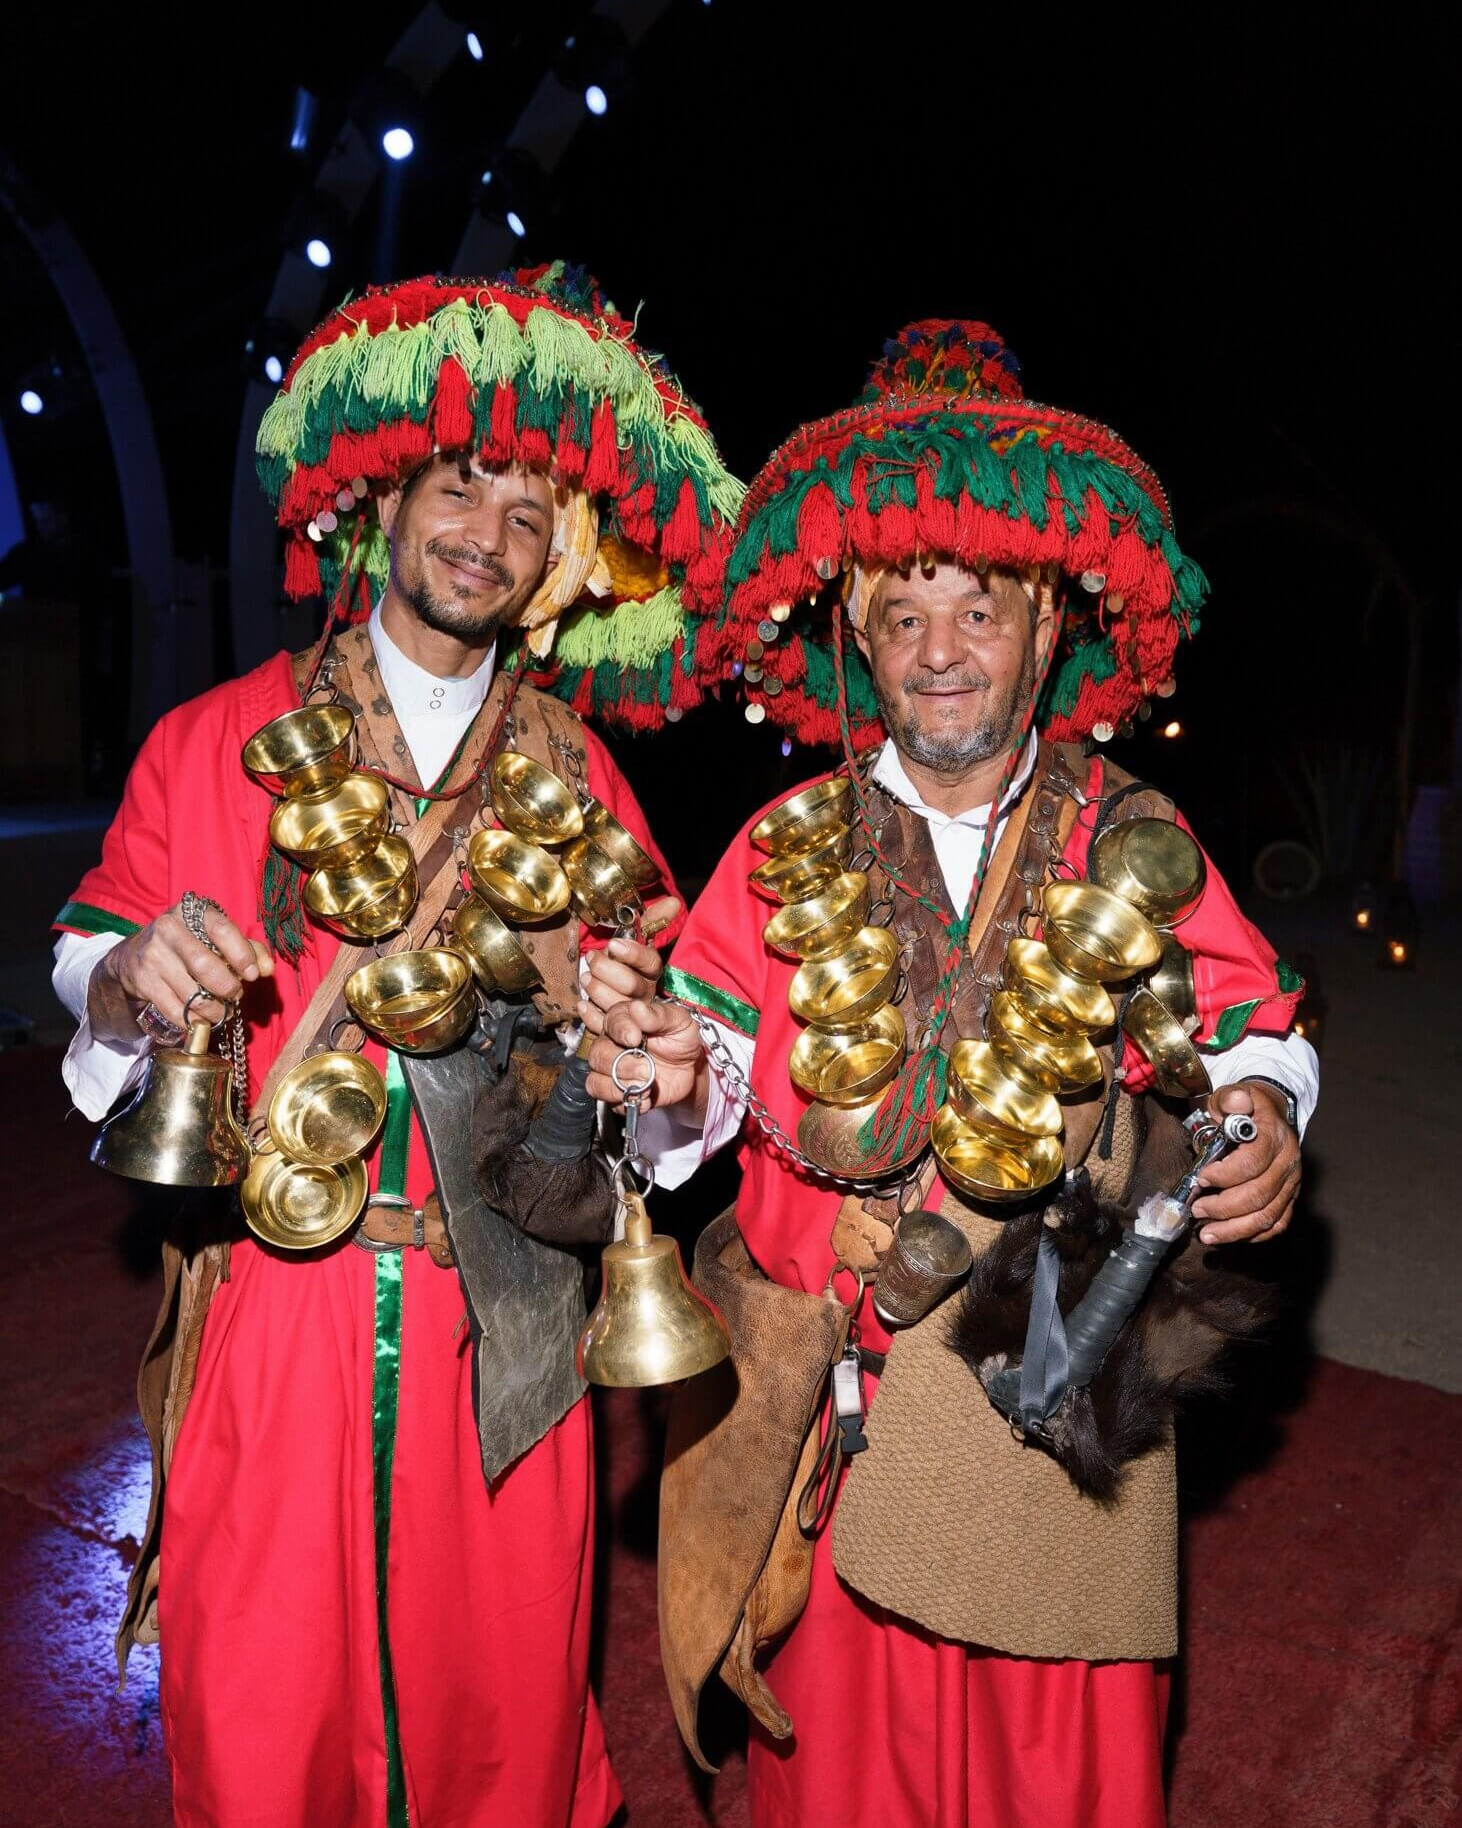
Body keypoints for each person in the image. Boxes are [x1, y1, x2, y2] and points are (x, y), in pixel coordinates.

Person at [585, 319, 1317, 1828]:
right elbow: (706, 1074)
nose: (936, 655)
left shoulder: (1133, 834)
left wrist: (1263, 1122)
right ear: (852, 626)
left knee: (1066, 1779)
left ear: (1049, 629)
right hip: (831, 1417)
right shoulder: (786, 840)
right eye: (900, 614)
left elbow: (1254, 1037)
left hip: (1045, 1407)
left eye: (976, 613)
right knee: (839, 1786)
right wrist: (662, 1077)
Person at [52, 261, 740, 1828]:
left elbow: (678, 1067)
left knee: (495, 1715)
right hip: (271, 1316)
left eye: (527, 516)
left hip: (504, 1322)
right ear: (384, 495)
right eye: (460, 483)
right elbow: (91, 967)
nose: (483, 537)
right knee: (259, 1701)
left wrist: (669, 1063)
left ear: (561, 561)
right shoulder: (208, 739)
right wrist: (129, 979)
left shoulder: (590, 784)